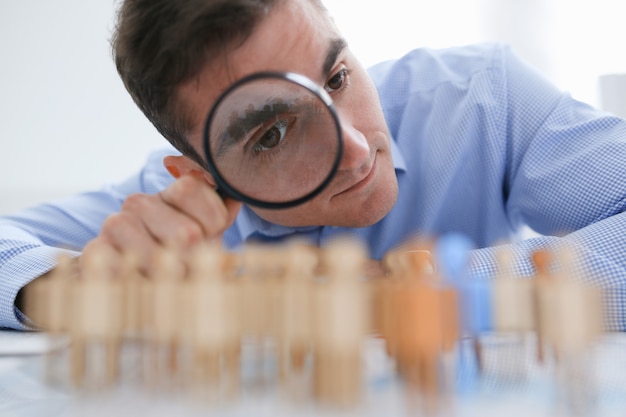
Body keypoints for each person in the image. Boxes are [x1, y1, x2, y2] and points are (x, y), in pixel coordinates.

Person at [1, 0, 625, 331]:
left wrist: (414, 293)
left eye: (338, 76)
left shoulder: (485, 100)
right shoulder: (173, 217)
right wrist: (71, 290)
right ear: (199, 177)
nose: (356, 150)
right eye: (272, 133)